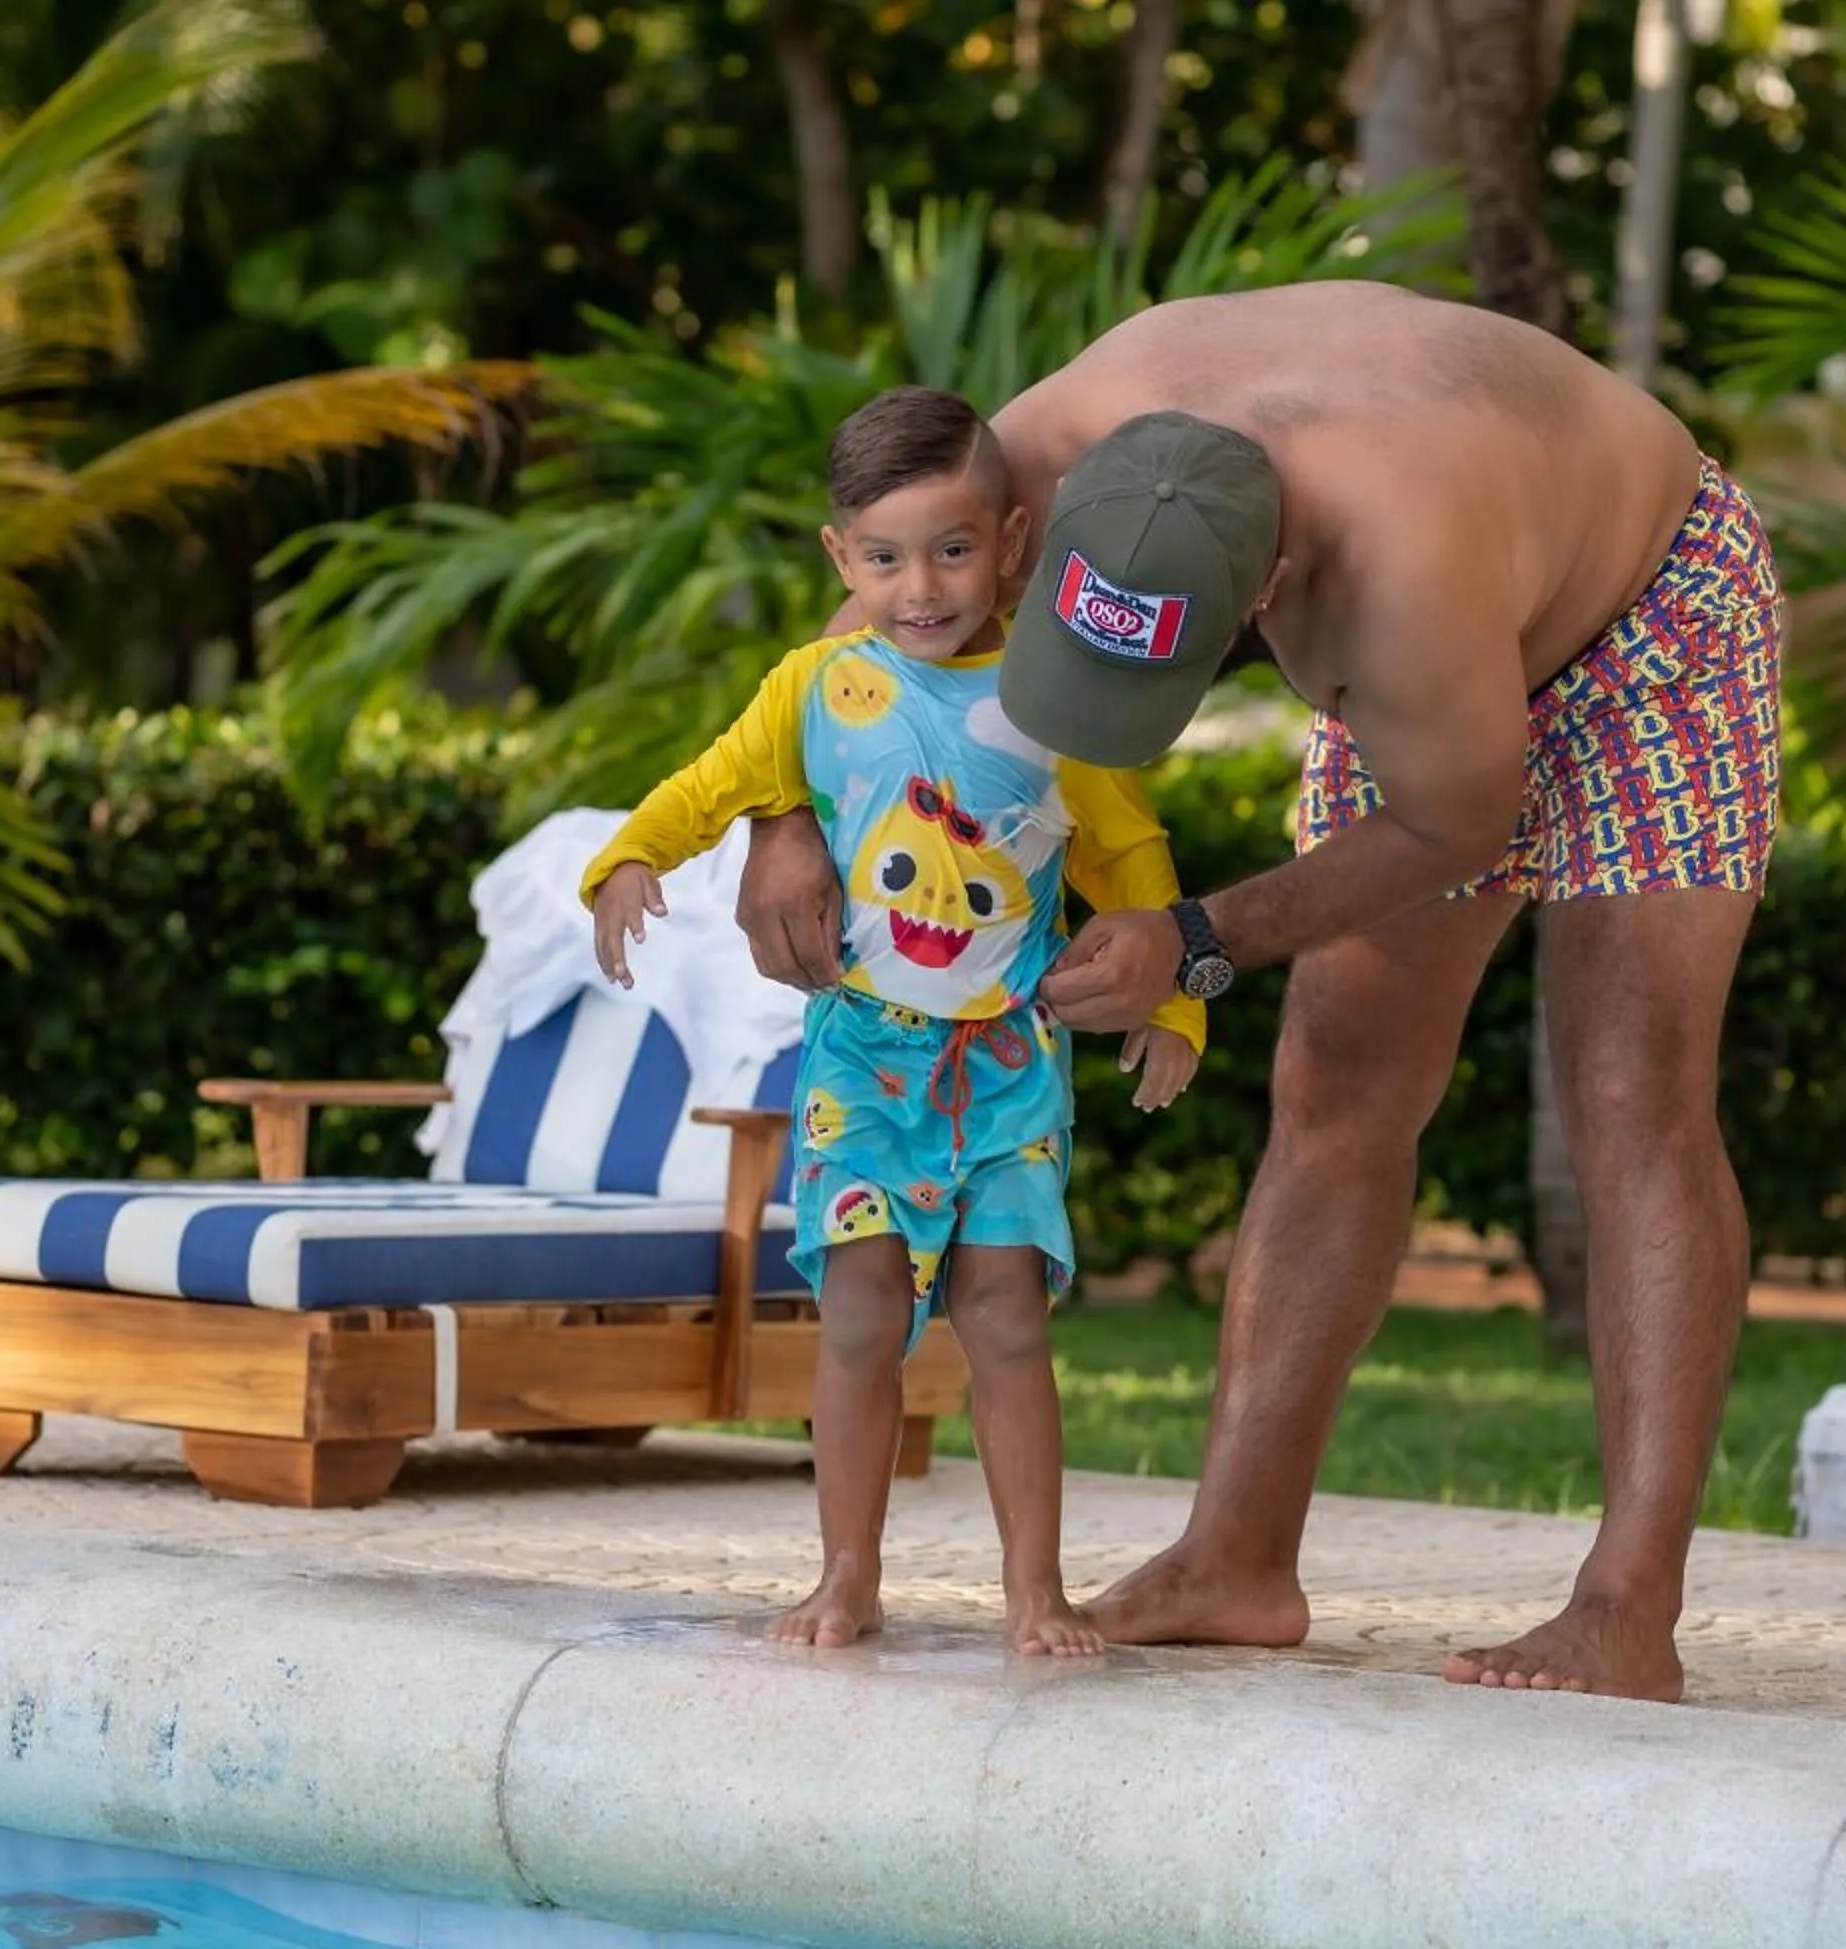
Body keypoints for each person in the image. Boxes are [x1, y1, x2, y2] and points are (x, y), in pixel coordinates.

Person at [728, 281, 1783, 1701]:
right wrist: (782, 816)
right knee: (1336, 1077)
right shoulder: (1052, 434)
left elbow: (1457, 822)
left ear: (1268, 594)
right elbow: (886, 570)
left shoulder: (1400, 576)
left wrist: (1195, 937)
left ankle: (1628, 1607)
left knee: (1627, 1089)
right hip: (1443, 639)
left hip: (1650, 614)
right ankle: (1235, 1558)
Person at [582, 385, 1206, 1658]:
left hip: (1011, 1065)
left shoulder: (1059, 705)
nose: (920, 585)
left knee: (1005, 1317)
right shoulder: (816, 686)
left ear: (1013, 542)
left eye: (953, 548)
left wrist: (1178, 999)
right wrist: (632, 858)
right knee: (861, 1314)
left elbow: (1133, 861)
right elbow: (712, 785)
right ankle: (847, 1574)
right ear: (840, 557)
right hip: (864, 1058)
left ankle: (1038, 1590)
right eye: (884, 556)